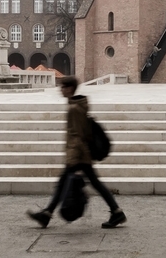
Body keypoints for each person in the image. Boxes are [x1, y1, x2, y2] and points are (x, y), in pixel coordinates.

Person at [27, 76, 127, 229]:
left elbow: (78, 136)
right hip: (80, 155)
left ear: (69, 89)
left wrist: (73, 161)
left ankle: (47, 214)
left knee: (70, 183)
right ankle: (47, 214)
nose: (60, 89)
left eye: (63, 87)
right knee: (89, 183)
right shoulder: (77, 106)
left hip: (78, 156)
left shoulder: (74, 109)